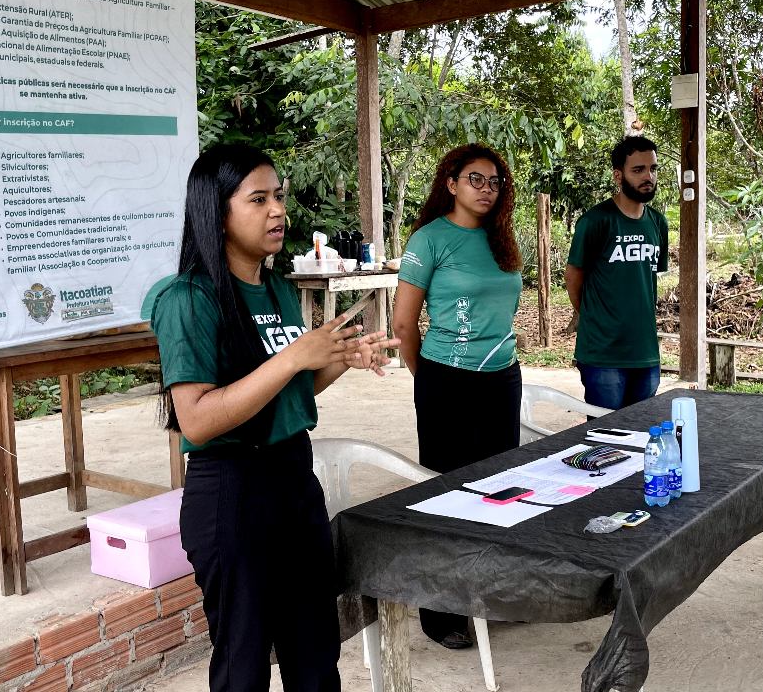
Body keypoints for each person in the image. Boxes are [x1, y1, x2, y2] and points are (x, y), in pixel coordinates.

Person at [151, 144, 398, 692]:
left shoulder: (280, 291)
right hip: (233, 494)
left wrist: (336, 361)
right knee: (243, 665)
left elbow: (288, 393)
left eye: (279, 196)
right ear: (216, 212)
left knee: (314, 655)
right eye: (258, 199)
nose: (277, 211)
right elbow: (196, 420)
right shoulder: (187, 299)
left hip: (294, 483)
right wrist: (292, 356)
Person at [393, 143, 523, 650]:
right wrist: (428, 381)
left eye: (495, 182)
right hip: (446, 379)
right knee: (446, 495)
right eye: (476, 179)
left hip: (502, 379)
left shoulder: (501, 240)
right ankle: (440, 611)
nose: (487, 189)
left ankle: (494, 596)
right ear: (450, 183)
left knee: (505, 491)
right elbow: (404, 324)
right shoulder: (429, 241)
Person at [565, 135, 669, 409]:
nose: (648, 176)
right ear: (618, 175)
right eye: (638, 170)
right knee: (605, 442)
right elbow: (573, 275)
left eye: (653, 168)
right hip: (603, 355)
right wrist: (592, 315)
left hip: (645, 353)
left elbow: (645, 281)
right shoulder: (596, 221)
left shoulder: (658, 223)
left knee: (642, 437)